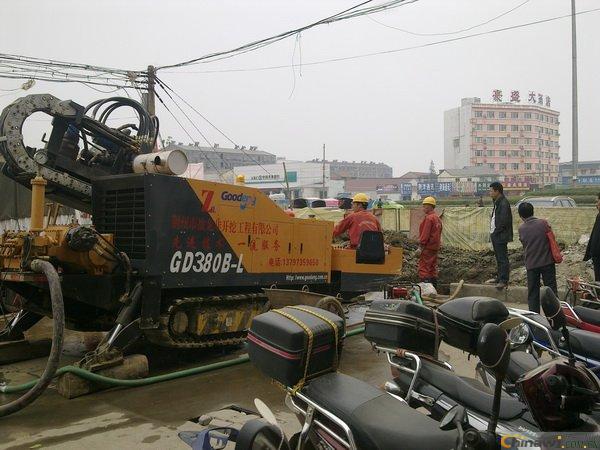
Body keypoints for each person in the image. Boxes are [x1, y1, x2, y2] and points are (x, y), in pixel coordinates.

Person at [517, 202, 558, 313]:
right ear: (533, 211)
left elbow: (523, 242)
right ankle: (555, 316)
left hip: (531, 264)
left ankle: (534, 317)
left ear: (521, 216)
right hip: (547, 262)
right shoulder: (543, 223)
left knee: (533, 293)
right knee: (551, 291)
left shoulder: (521, 228)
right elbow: (551, 237)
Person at [489, 182, 513, 289]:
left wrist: (496, 232)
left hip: (500, 235)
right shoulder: (497, 202)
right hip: (496, 234)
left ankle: (504, 280)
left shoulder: (503, 203)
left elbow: (503, 221)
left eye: (491, 191)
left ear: (497, 191)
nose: (490, 193)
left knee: (502, 258)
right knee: (499, 257)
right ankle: (499, 277)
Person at [417, 196, 442, 288]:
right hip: (435, 247)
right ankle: (433, 288)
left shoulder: (429, 218)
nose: (423, 208)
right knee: (432, 268)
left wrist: (421, 247)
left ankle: (426, 289)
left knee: (424, 268)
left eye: (425, 206)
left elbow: (425, 234)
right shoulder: (437, 218)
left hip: (427, 248)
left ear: (430, 206)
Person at [584, 192, 600, 282]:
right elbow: (595, 235)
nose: (596, 204)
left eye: (598, 202)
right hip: (596, 256)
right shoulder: (598, 216)